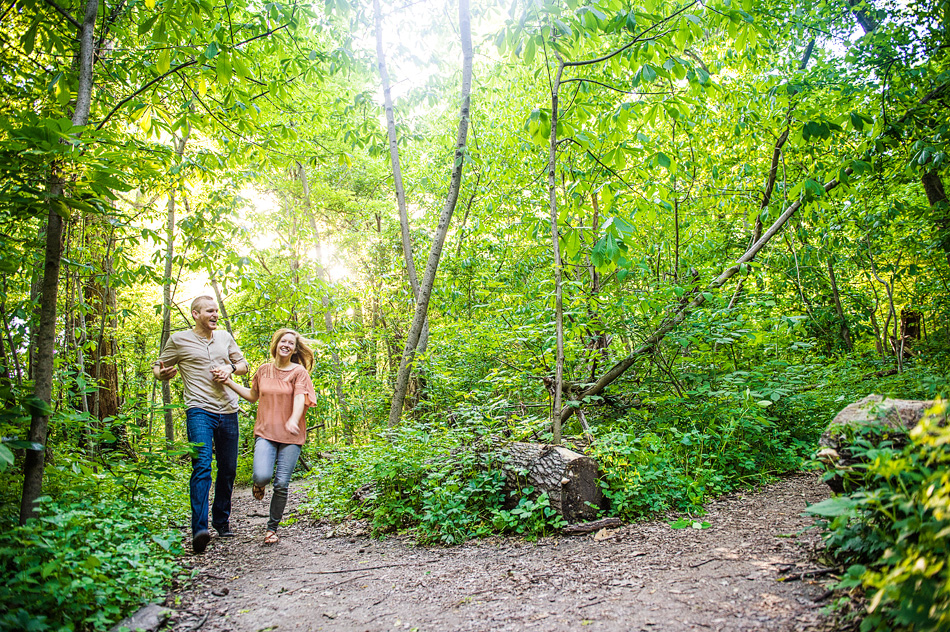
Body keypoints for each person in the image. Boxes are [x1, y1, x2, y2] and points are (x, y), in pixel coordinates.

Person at [153, 296, 248, 554]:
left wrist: (230, 368)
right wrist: (161, 374)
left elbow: (243, 365)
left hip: (229, 409)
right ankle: (199, 529)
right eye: (210, 311)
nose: (215, 314)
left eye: (216, 310)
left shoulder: (225, 337)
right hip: (199, 410)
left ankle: (221, 520)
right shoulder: (179, 340)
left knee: (228, 469)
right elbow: (159, 366)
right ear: (195, 314)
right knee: (202, 465)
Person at [222, 328, 316, 545]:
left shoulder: (299, 372)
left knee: (282, 484)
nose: (286, 345)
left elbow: (300, 398)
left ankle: (272, 528)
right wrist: (229, 383)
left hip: (291, 436)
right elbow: (253, 396)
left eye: (291, 343)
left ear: (294, 349)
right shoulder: (263, 371)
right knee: (263, 476)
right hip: (265, 432)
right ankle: (259, 484)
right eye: (283, 341)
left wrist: (293, 419)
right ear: (276, 344)